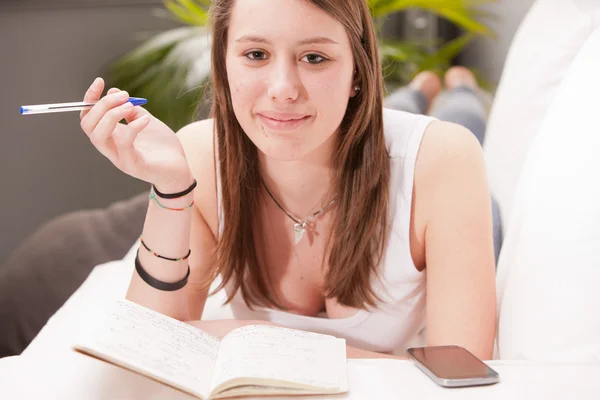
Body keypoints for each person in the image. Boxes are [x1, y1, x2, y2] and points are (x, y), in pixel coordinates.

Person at [79, 0, 496, 360]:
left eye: (314, 57)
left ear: (357, 71)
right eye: (256, 54)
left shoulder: (444, 159)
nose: (283, 90)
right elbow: (150, 346)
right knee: (389, 108)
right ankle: (421, 89)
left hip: (419, 163)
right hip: (337, 120)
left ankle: (459, 87)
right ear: (223, 64)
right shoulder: (200, 156)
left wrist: (249, 339)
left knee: (463, 115)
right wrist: (171, 191)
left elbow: (459, 373)